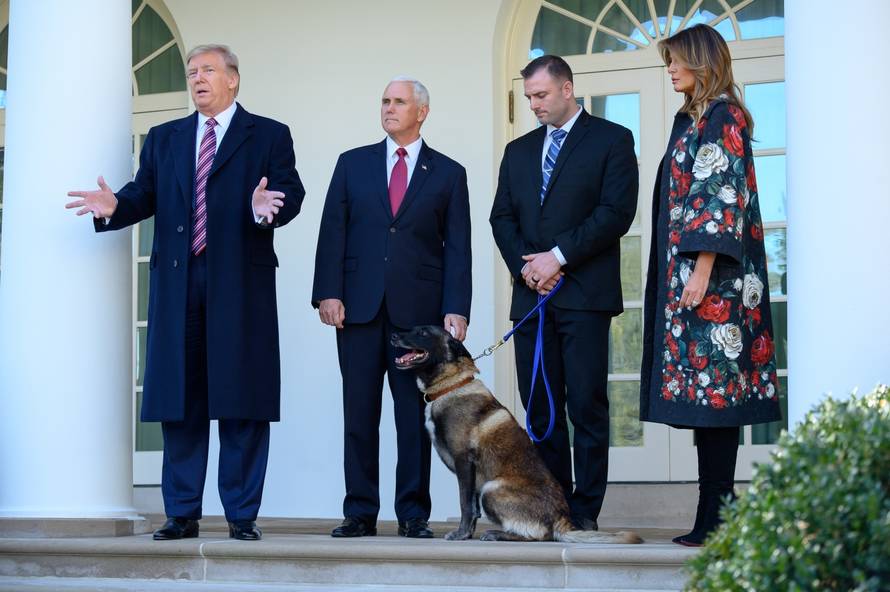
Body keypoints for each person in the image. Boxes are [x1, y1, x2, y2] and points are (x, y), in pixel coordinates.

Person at [66, 44, 305, 541]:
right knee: (181, 399)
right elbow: (142, 195)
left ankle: (241, 515)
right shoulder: (165, 137)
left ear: (233, 79)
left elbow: (290, 192)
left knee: (241, 400)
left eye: (208, 70)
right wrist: (114, 206)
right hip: (179, 283)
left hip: (240, 284)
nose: (197, 78)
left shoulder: (269, 134)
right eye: (191, 72)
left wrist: (266, 207)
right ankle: (181, 513)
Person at [638, 24, 781, 547]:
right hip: (698, 280)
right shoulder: (695, 118)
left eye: (676, 61)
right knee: (707, 400)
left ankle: (716, 515)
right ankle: (717, 512)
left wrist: (698, 273)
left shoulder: (724, 116)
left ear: (701, 62)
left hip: (713, 284)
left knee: (715, 397)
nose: (670, 69)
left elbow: (719, 197)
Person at [312, 77, 472, 539]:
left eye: (399, 102)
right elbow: (332, 233)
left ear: (421, 112)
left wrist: (456, 308)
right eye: (384, 101)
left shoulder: (448, 173)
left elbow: (457, 248)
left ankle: (412, 515)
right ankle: (359, 512)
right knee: (358, 414)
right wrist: (328, 293)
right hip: (357, 312)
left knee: (412, 420)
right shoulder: (352, 164)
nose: (389, 108)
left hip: (418, 319)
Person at [490, 55, 638, 531]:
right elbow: (502, 218)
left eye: (541, 95)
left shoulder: (612, 140)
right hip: (531, 296)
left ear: (568, 89)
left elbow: (616, 212)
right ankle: (553, 509)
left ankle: (586, 512)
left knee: (586, 405)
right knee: (541, 407)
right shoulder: (517, 151)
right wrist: (530, 267)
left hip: (584, 296)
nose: (533, 104)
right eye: (529, 96)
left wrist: (559, 256)